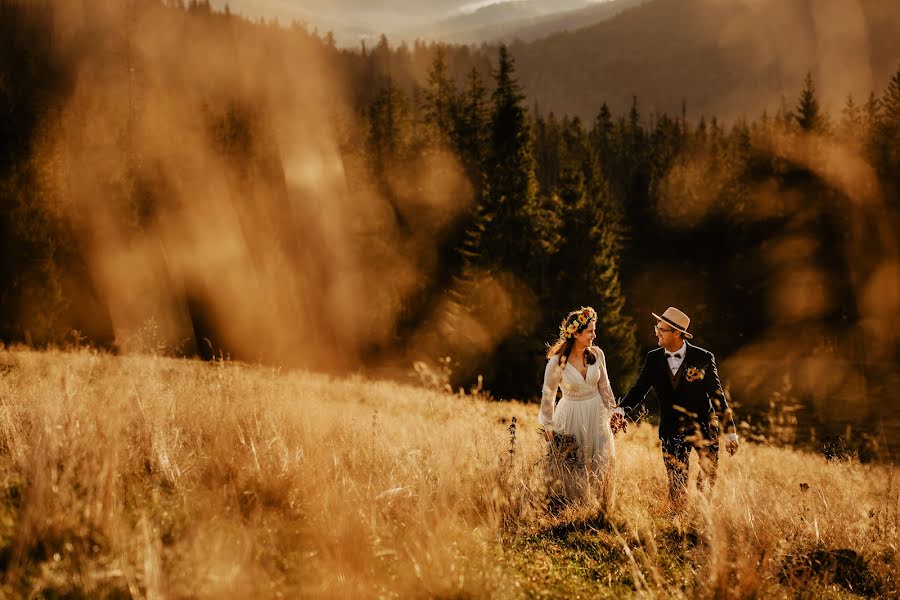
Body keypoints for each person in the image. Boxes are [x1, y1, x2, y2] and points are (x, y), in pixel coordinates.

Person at [611, 306, 739, 508]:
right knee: (676, 482)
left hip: (704, 426)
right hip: (671, 428)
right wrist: (621, 409)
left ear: (677, 333)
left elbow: (717, 395)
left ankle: (702, 517)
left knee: (708, 475)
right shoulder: (653, 359)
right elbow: (639, 388)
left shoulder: (703, 358)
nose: (656, 333)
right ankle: (678, 520)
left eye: (661, 329)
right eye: (657, 328)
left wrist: (730, 432)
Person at [539, 306, 617, 504]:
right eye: (590, 331)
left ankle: (598, 504)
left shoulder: (597, 354)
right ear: (576, 332)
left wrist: (613, 413)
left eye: (594, 329)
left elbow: (605, 386)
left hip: (596, 413)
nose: (594, 335)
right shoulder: (557, 362)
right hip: (570, 414)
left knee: (599, 459)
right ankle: (571, 504)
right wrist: (548, 425)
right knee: (574, 462)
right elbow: (548, 395)